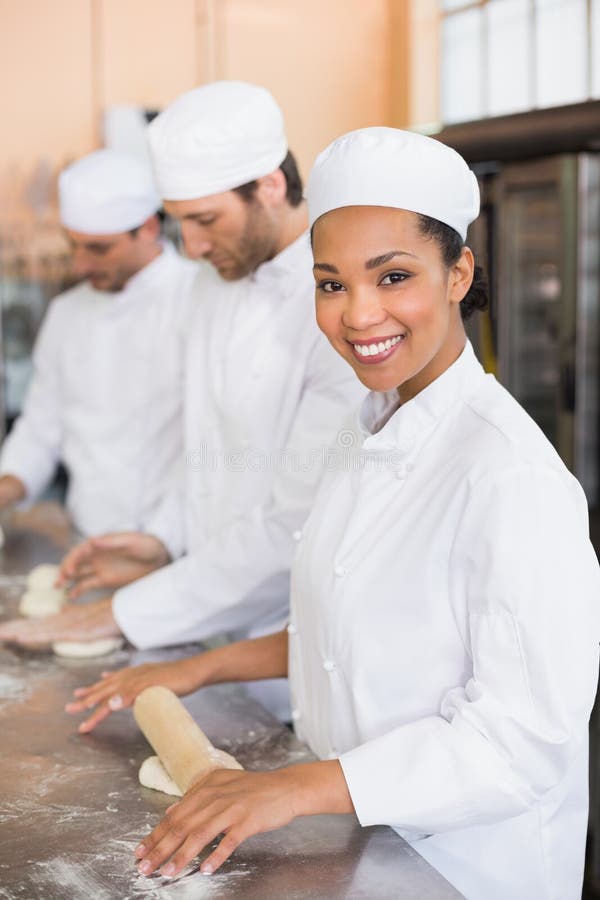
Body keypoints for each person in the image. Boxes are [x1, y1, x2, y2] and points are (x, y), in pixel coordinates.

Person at [66, 127, 599, 899]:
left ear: (459, 274)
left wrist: (294, 789)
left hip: (457, 868)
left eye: (393, 277)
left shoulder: (509, 475)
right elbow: (345, 631)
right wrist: (197, 667)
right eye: (331, 284)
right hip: (347, 846)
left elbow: (520, 746)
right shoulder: (369, 421)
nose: (358, 315)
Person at [0, 83, 362, 717]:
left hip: (289, 648)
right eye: (180, 222)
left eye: (204, 221)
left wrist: (126, 611)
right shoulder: (211, 289)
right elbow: (207, 456)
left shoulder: (336, 309)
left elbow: (295, 522)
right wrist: (163, 540)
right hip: (200, 621)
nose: (189, 247)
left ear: (270, 186)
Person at [0, 149, 198, 536]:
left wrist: (164, 540)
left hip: (179, 542)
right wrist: (7, 487)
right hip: (87, 537)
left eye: (98, 248)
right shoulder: (67, 313)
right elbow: (41, 426)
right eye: (74, 246)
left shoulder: (199, 300)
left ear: (148, 229)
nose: (80, 266)